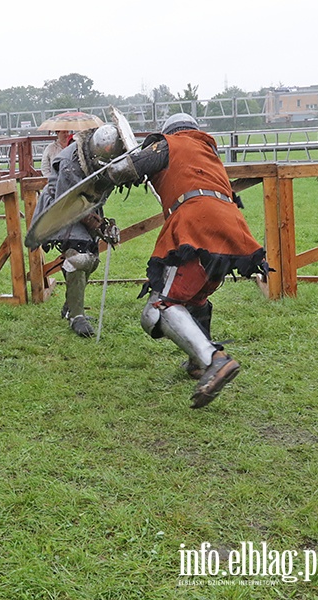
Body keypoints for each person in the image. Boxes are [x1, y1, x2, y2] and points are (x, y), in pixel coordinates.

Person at [101, 113, 269, 408]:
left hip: (196, 227)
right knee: (196, 297)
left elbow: (129, 169)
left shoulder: (169, 145)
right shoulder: (208, 152)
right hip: (231, 231)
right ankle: (196, 361)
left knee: (160, 309)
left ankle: (214, 359)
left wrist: (106, 169)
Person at [32, 124, 122, 338]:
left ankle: (71, 306)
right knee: (78, 258)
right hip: (60, 208)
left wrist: (101, 221)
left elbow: (100, 190)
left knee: (92, 259)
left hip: (86, 206)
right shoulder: (69, 162)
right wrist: (96, 224)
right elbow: (69, 203)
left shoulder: (96, 157)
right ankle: (76, 317)